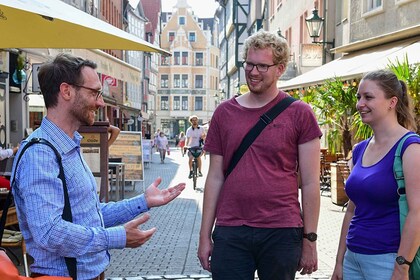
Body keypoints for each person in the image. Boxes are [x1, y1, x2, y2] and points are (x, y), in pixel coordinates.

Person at [10, 53, 186, 279]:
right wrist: (117, 237)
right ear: (66, 91)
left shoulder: (68, 145)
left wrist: (143, 201)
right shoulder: (40, 153)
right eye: (94, 93)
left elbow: (88, 215)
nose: (101, 102)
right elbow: (49, 232)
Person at [197, 30, 322, 279]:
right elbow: (214, 177)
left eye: (262, 66)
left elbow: (310, 183)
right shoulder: (224, 113)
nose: (253, 72)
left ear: (280, 68)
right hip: (231, 229)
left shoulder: (300, 113)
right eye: (250, 64)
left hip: (282, 229)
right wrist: (204, 236)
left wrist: (310, 240)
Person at [331, 70, 420, 280]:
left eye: (368, 97)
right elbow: (352, 210)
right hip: (353, 259)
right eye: (358, 97)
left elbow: (417, 212)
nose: (360, 103)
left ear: (392, 102)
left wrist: (401, 266)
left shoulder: (410, 147)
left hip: (387, 261)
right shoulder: (360, 149)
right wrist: (339, 261)